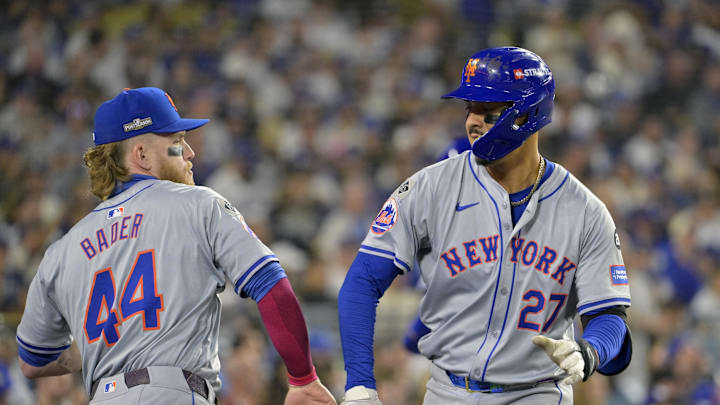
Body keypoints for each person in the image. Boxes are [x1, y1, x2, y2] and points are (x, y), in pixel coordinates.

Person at [338, 47, 632, 404]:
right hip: (446, 391)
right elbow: (361, 281)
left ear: (527, 115)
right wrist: (359, 386)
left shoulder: (586, 211)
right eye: (469, 109)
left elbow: (610, 316)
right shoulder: (430, 187)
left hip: (535, 393)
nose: (472, 121)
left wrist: (590, 352)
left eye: (487, 111)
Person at [15, 87, 336, 405]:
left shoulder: (61, 252)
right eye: (176, 143)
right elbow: (272, 286)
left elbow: (33, 361)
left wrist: (97, 350)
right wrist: (302, 379)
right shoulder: (197, 204)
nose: (190, 153)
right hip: (173, 392)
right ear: (140, 154)